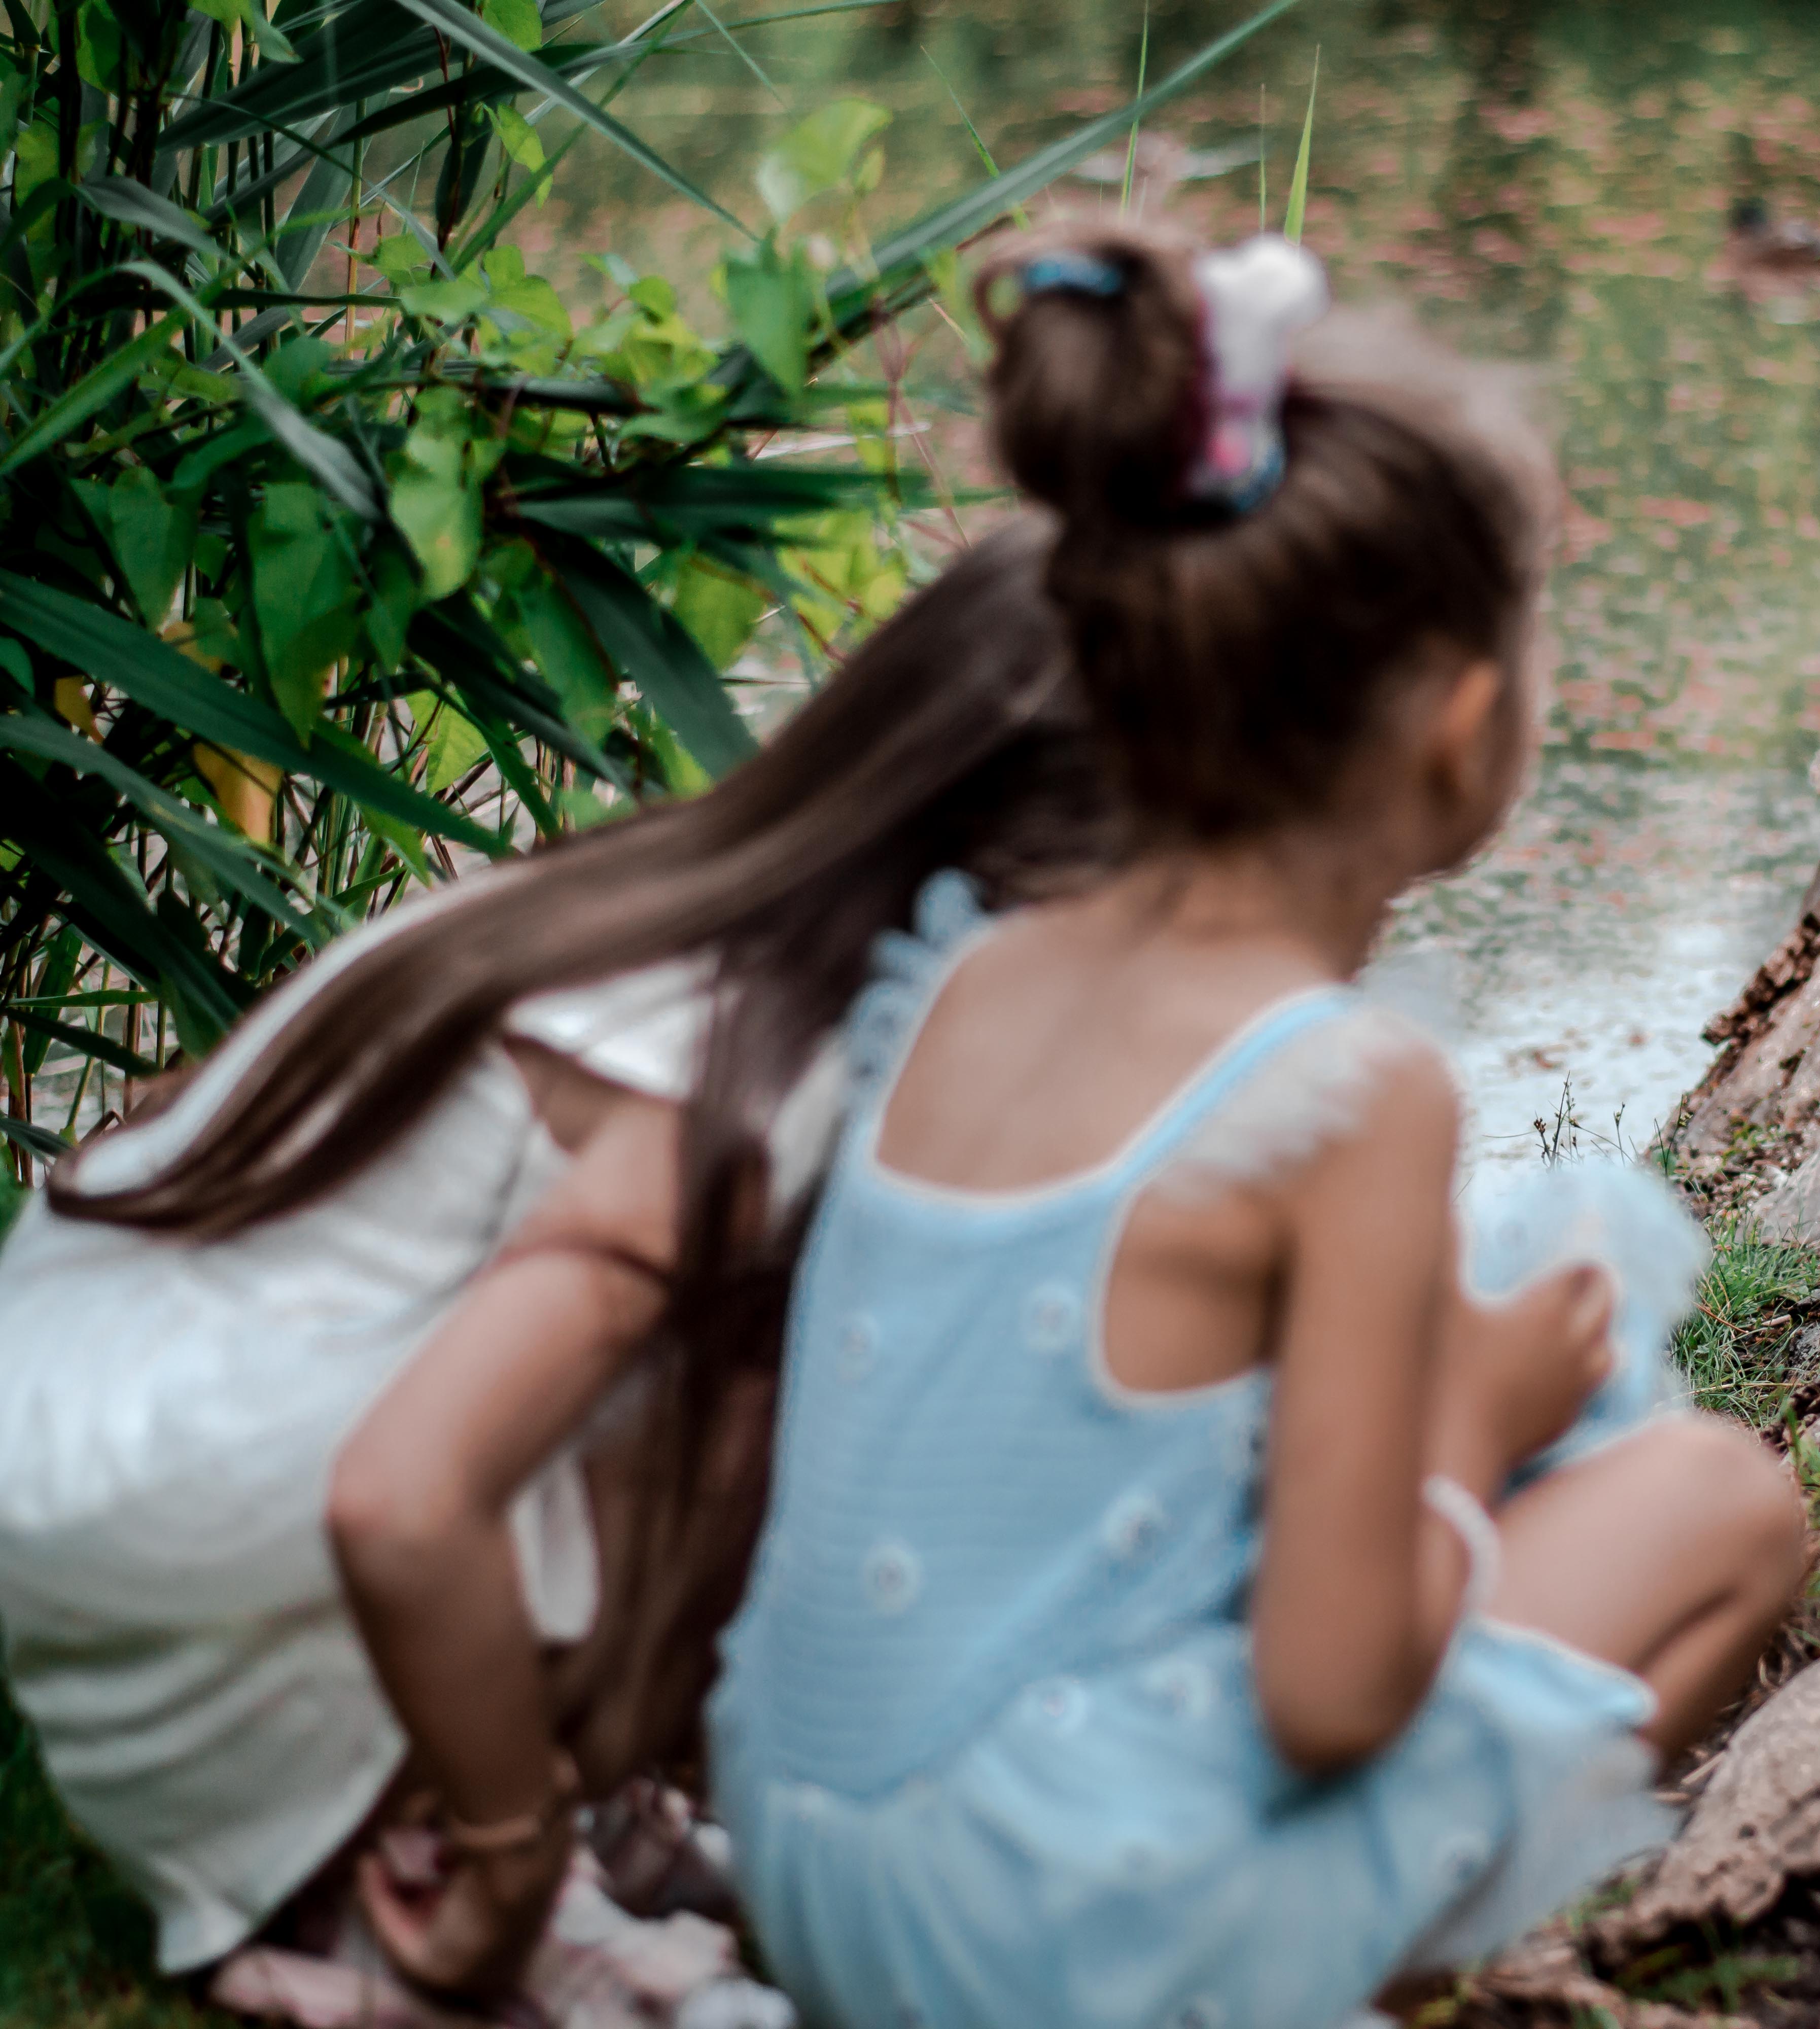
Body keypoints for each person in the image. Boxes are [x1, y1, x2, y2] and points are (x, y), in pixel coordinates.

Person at [699, 227, 1810, 2029]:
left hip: (816, 1862)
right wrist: (1475, 1412)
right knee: (1725, 1502)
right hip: (1045, 1933)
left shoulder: (955, 973)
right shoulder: (1349, 1093)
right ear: (1467, 728)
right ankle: (1318, 1988)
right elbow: (1329, 1695)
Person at [0, 503, 1111, 2007]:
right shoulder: (766, 1085)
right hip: (205, 1527)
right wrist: (508, 1842)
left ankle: (569, 1807)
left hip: (95, 1417)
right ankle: (472, 1871)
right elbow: (406, 1498)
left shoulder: (689, 893)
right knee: (793, 1363)